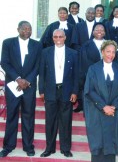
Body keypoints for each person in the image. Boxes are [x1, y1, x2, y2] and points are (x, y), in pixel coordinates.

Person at [0, 21, 42, 157]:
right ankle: (8, 146)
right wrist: (18, 78)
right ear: (18, 29)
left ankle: (28, 146)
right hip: (13, 85)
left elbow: (38, 65)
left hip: (29, 86)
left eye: (29, 29)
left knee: (28, 115)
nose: (27, 31)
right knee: (11, 115)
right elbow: (4, 62)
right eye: (24, 28)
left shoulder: (37, 45)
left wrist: (27, 80)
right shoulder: (7, 43)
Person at [84, 40, 118, 162]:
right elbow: (90, 90)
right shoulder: (93, 69)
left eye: (113, 52)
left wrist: (114, 106)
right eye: (108, 51)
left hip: (114, 113)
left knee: (111, 146)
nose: (110, 54)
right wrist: (104, 107)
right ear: (102, 52)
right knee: (98, 145)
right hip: (98, 112)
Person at [39, 29, 78, 158]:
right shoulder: (45, 52)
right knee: (50, 121)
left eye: (60, 36)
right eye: (55, 37)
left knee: (66, 121)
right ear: (52, 38)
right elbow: (42, 73)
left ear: (65, 37)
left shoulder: (73, 53)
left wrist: (75, 91)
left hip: (67, 90)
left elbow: (76, 75)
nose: (58, 39)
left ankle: (65, 148)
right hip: (50, 90)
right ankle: (49, 148)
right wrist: (41, 90)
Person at [78, 23, 106, 113]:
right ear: (93, 32)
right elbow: (83, 62)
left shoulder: (109, 44)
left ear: (105, 32)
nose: (99, 32)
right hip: (90, 76)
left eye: (101, 30)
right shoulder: (86, 45)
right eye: (97, 30)